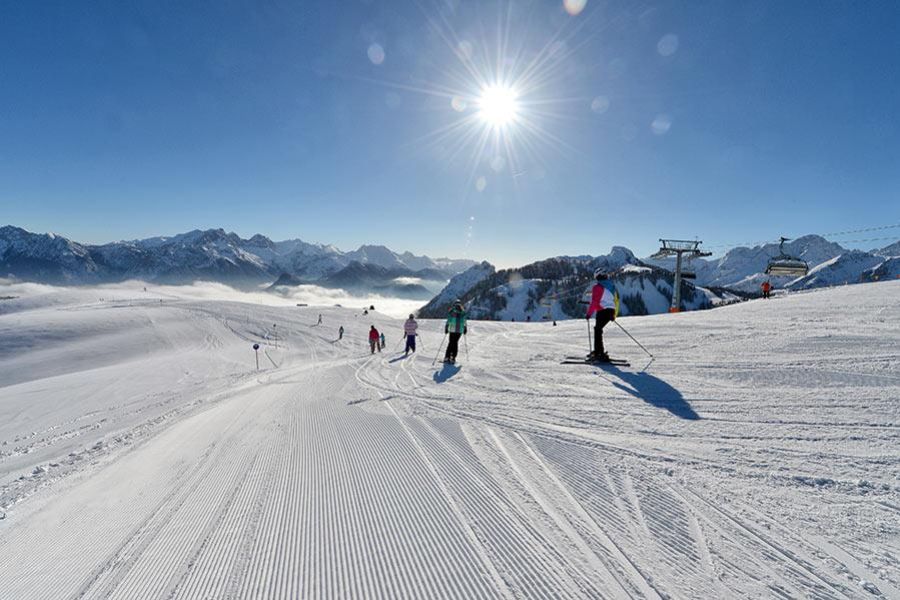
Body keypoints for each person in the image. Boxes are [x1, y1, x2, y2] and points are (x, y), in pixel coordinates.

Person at [586, 268, 619, 362]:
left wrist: (589, 314)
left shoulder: (597, 287)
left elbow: (595, 302)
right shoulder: (612, 286)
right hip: (611, 311)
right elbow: (616, 300)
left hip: (602, 311)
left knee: (597, 330)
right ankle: (598, 352)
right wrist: (614, 314)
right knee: (598, 329)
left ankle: (599, 353)